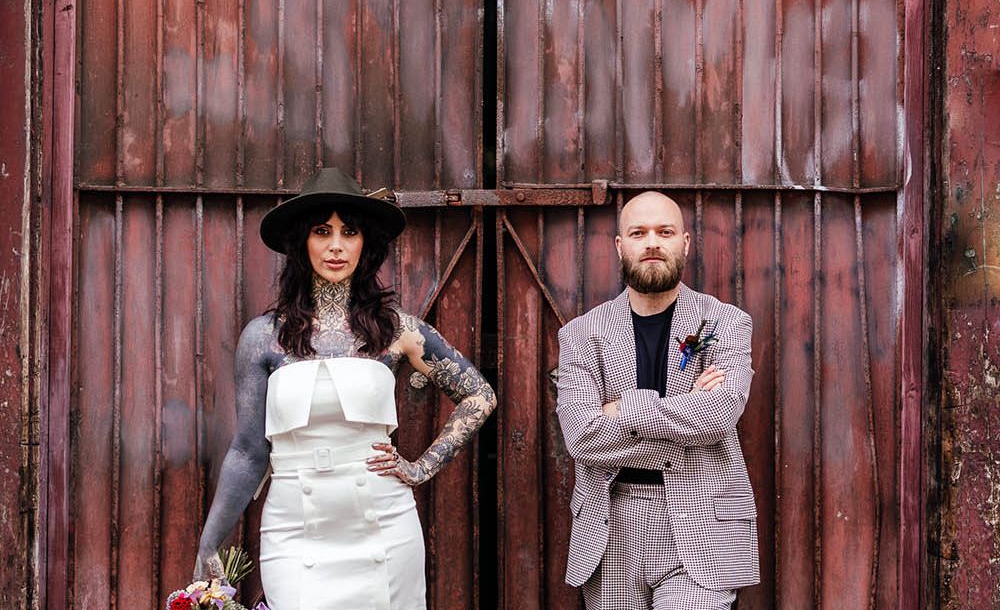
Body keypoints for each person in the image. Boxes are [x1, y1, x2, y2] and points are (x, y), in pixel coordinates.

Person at [194, 167, 497, 610]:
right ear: (303, 242)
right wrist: (208, 545)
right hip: (294, 526)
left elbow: (480, 395)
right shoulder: (264, 336)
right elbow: (247, 451)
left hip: (384, 521)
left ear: (364, 244)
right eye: (322, 231)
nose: (336, 245)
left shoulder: (398, 329)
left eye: (348, 232)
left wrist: (420, 468)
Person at [556, 191, 759, 610]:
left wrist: (622, 408)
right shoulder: (579, 334)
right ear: (620, 245)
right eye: (639, 232)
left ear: (684, 243)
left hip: (702, 523)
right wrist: (686, 412)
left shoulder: (723, 323)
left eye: (665, 232)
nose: (652, 242)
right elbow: (582, 437)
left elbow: (719, 416)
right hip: (610, 527)